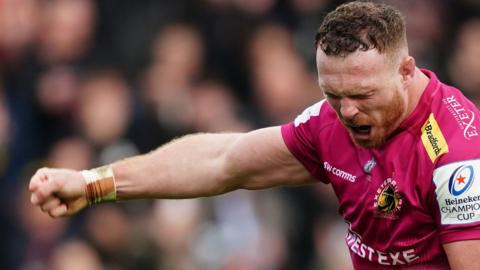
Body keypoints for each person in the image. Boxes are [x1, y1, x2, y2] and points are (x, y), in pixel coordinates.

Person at [28, 1, 480, 269]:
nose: (347, 112)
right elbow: (221, 161)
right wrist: (91, 183)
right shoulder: (332, 122)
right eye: (333, 93)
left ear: (406, 71)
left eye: (361, 94)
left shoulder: (458, 156)